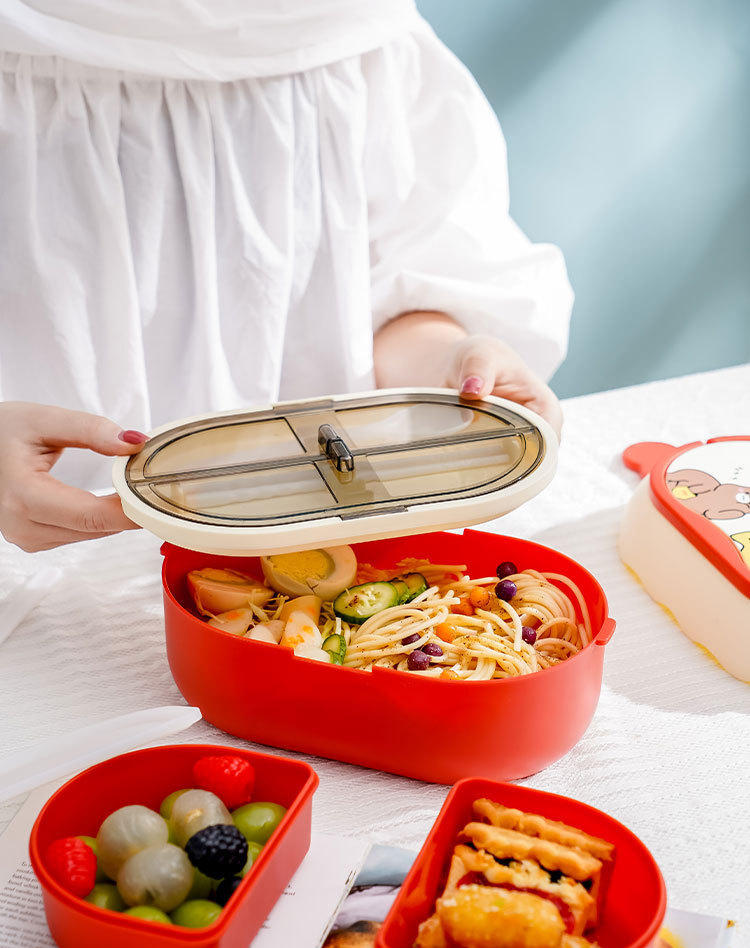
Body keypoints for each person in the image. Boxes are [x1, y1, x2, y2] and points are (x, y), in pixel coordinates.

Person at [0, 0, 573, 553]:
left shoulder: (357, 42)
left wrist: (449, 367)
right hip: (43, 538)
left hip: (326, 531)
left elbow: (394, 284)